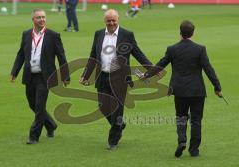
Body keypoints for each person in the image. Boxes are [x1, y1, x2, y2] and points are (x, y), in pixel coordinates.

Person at [141, 20, 222, 157]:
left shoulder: (172, 49)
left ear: (180, 33)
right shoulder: (200, 49)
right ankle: (194, 149)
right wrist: (217, 87)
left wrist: (147, 74)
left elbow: (161, 64)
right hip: (197, 91)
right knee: (196, 120)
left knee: (181, 117)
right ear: (193, 33)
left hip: (179, 90)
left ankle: (182, 141)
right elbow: (208, 69)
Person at [80, 9, 152, 150]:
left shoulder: (127, 35)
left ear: (118, 19)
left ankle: (113, 141)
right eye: (109, 20)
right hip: (103, 77)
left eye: (114, 20)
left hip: (120, 79)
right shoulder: (99, 34)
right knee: (103, 108)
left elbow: (138, 53)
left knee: (117, 110)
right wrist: (85, 74)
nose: (111, 23)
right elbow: (93, 56)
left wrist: (151, 69)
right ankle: (119, 124)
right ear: (105, 21)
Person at [10, 9, 70, 144]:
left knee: (39, 105)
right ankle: (50, 124)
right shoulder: (26, 34)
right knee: (33, 105)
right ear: (33, 20)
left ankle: (33, 136)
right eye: (38, 17)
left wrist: (65, 76)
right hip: (29, 76)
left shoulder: (53, 35)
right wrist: (15, 72)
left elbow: (61, 56)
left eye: (43, 17)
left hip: (46, 77)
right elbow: (21, 54)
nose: (42, 19)